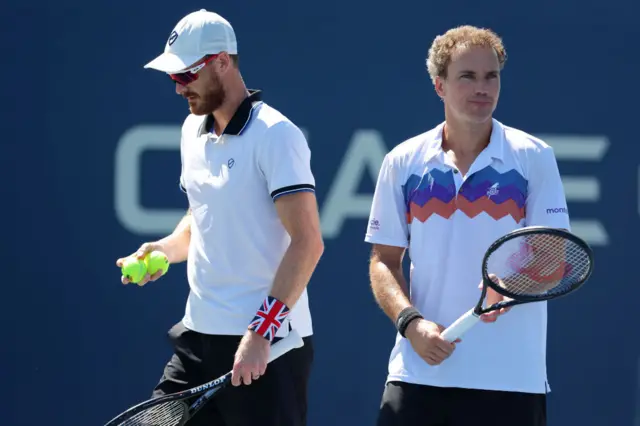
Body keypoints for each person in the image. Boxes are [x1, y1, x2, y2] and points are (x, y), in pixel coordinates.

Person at [115, 9, 324, 426]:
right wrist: (163, 248)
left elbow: (308, 243)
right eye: (173, 78)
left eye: (185, 77)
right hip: (198, 340)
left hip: (269, 350)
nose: (177, 89)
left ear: (223, 63)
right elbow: (202, 217)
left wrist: (260, 333)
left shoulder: (276, 136)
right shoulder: (191, 133)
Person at [364, 25, 570, 426]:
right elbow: (383, 261)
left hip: (511, 383)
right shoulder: (402, 162)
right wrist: (412, 324)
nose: (483, 87)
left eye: (491, 76)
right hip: (418, 375)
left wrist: (512, 285)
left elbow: (554, 258)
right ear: (440, 86)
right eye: (468, 76)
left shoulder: (534, 158)